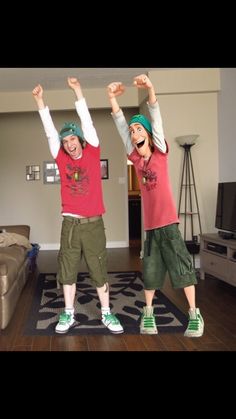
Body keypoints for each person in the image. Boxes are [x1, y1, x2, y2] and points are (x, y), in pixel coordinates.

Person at [107, 74, 204, 337]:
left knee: (181, 269)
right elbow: (119, 126)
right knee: (150, 272)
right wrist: (113, 99)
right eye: (132, 131)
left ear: (149, 136)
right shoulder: (137, 162)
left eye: (139, 130)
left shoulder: (160, 152)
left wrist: (150, 89)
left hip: (169, 225)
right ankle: (148, 313)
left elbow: (156, 118)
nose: (134, 134)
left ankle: (194, 313)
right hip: (150, 229)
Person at [32, 77, 123, 334]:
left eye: (72, 139)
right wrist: (40, 101)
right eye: (65, 141)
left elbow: (88, 121)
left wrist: (78, 91)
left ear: (81, 140)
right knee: (67, 269)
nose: (69, 144)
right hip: (70, 224)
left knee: (99, 268)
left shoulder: (93, 150)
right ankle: (68, 314)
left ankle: (106, 313)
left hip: (94, 224)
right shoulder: (61, 158)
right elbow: (50, 131)